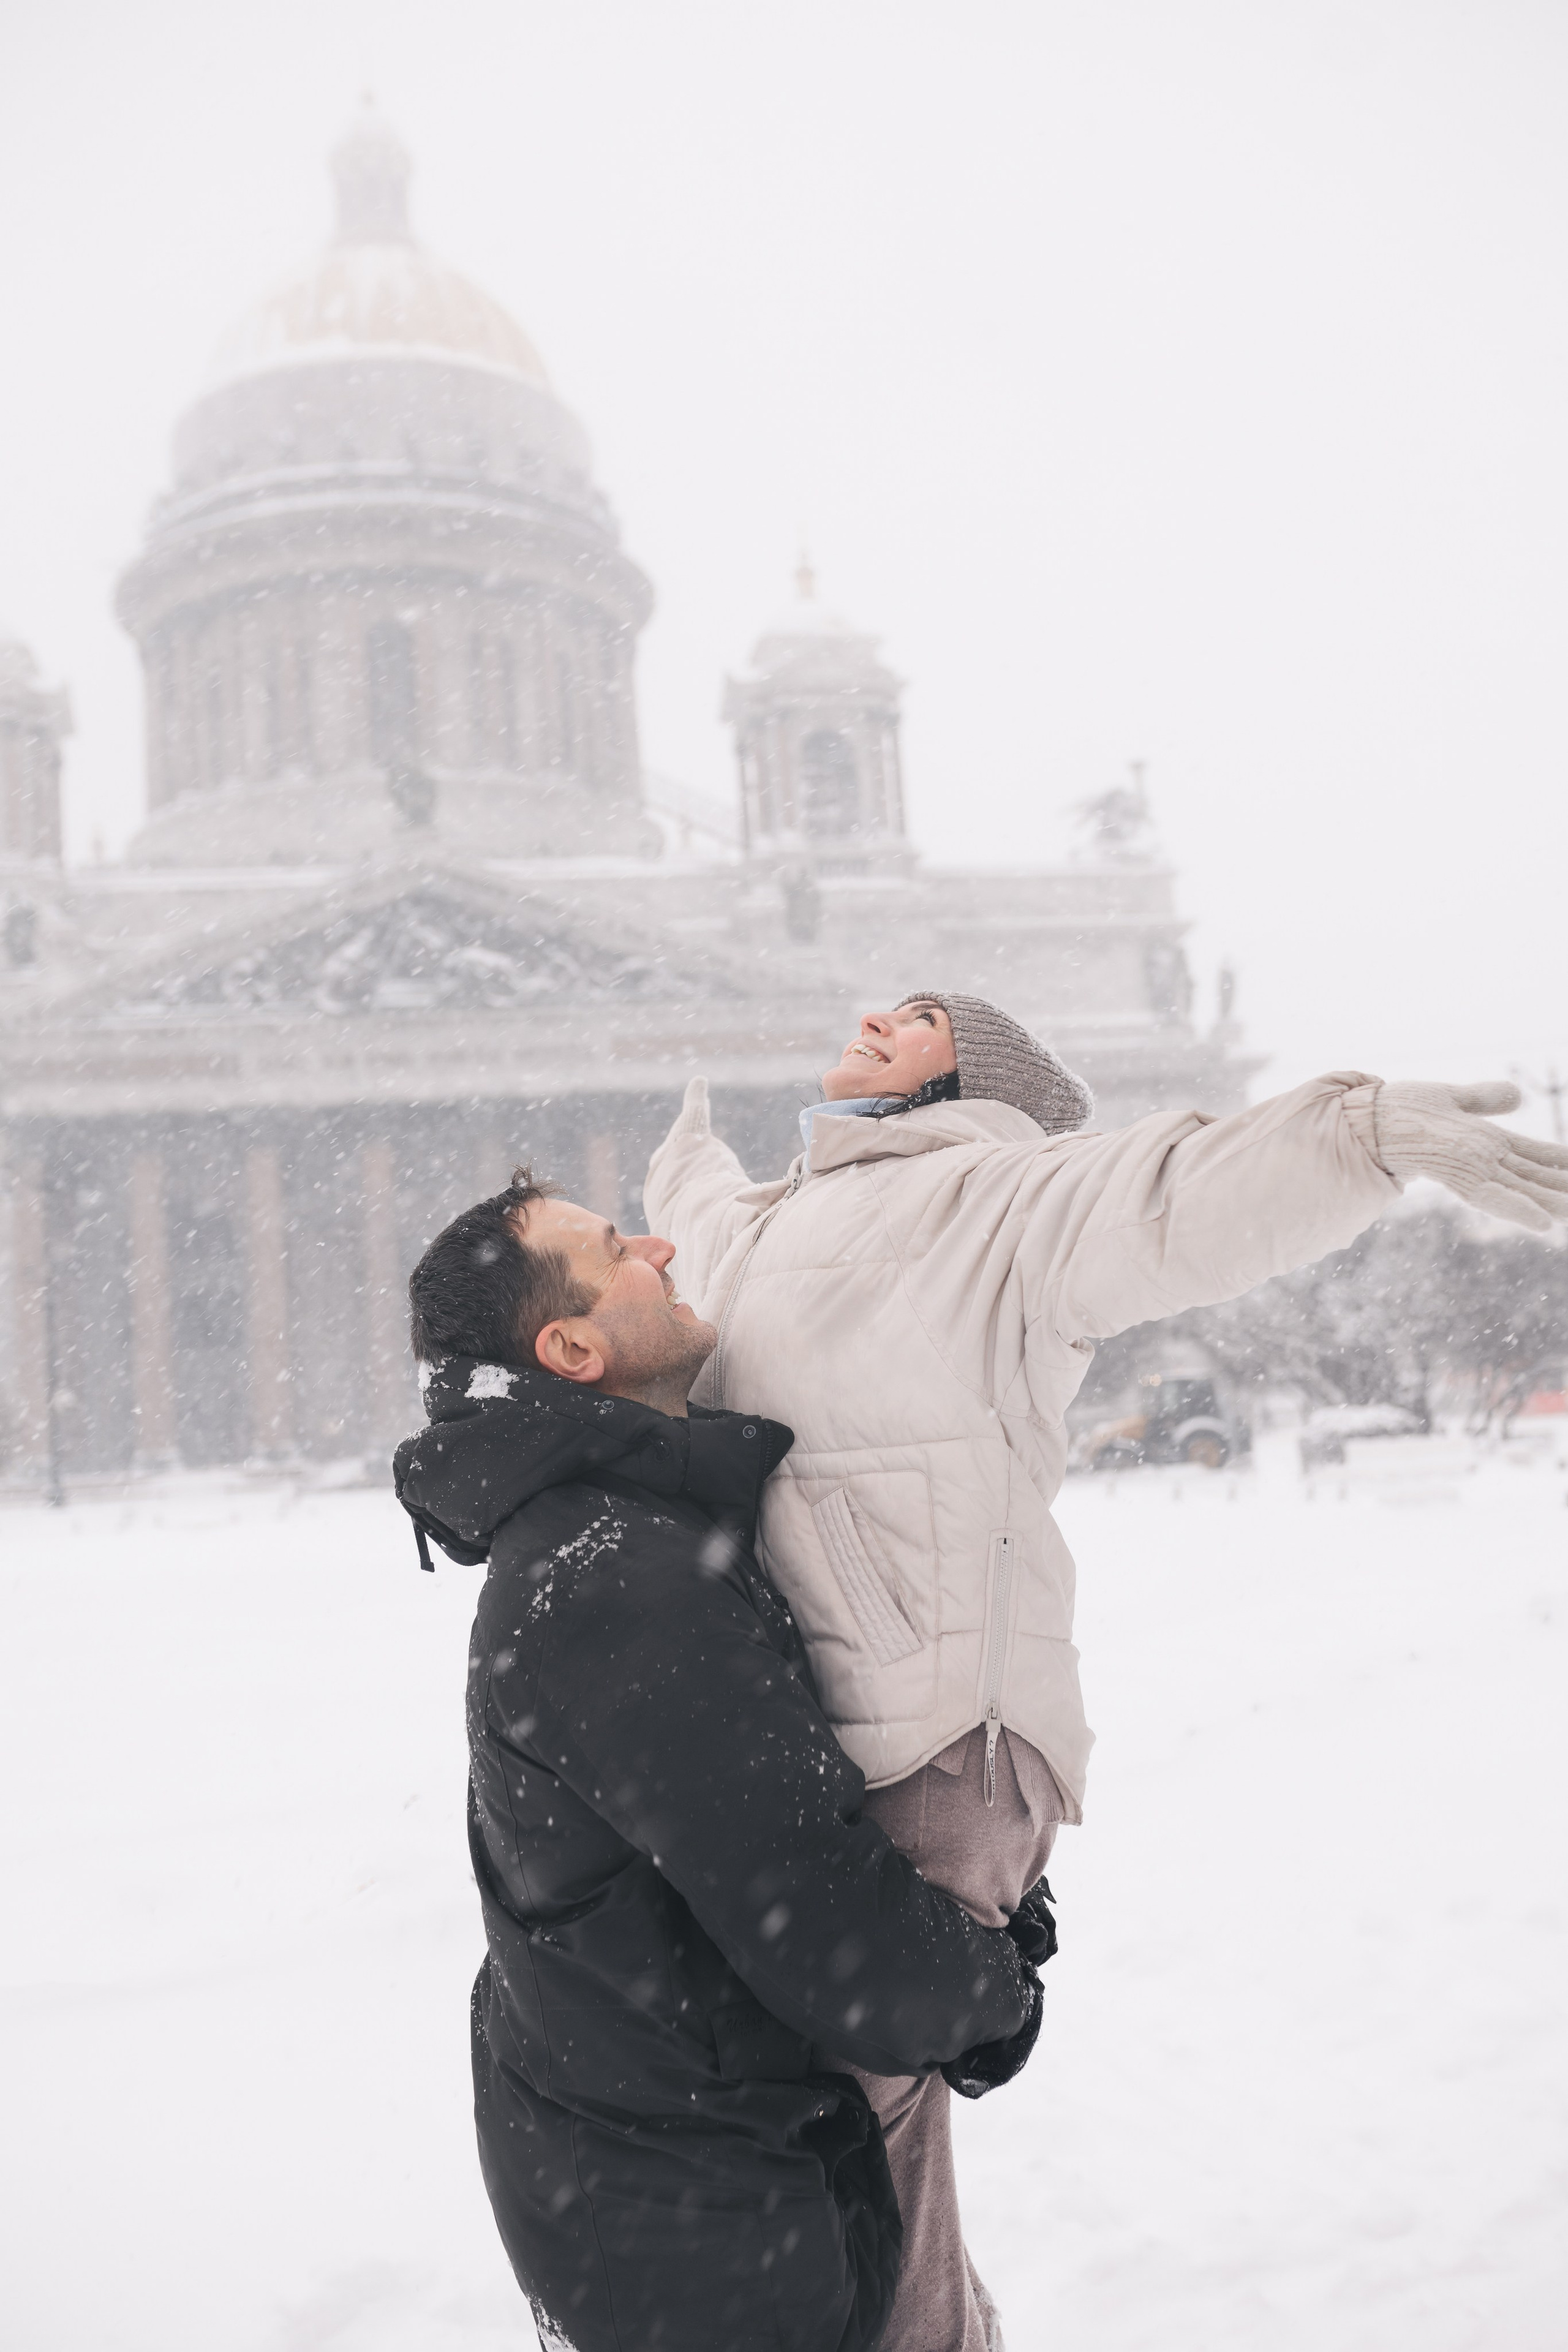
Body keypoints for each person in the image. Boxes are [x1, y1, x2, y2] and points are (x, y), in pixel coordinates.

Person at [643, 992, 1568, 2352]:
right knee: (818, 2134)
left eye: (918, 1016)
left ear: (977, 1074)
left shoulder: (1003, 1200)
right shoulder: (774, 1217)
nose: (872, 1014)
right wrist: (682, 1147)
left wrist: (1353, 1132)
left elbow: (1175, 1191)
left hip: (935, 1740)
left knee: (856, 2144)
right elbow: (697, 1218)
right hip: (805, 1738)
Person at [392, 1170, 1049, 2352]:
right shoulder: (618, 1578)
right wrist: (993, 1990)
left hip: (659, 2185)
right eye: (614, 1248)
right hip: (710, 2233)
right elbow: (815, 1913)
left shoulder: (618, 1536)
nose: (657, 1243)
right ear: (575, 1348)